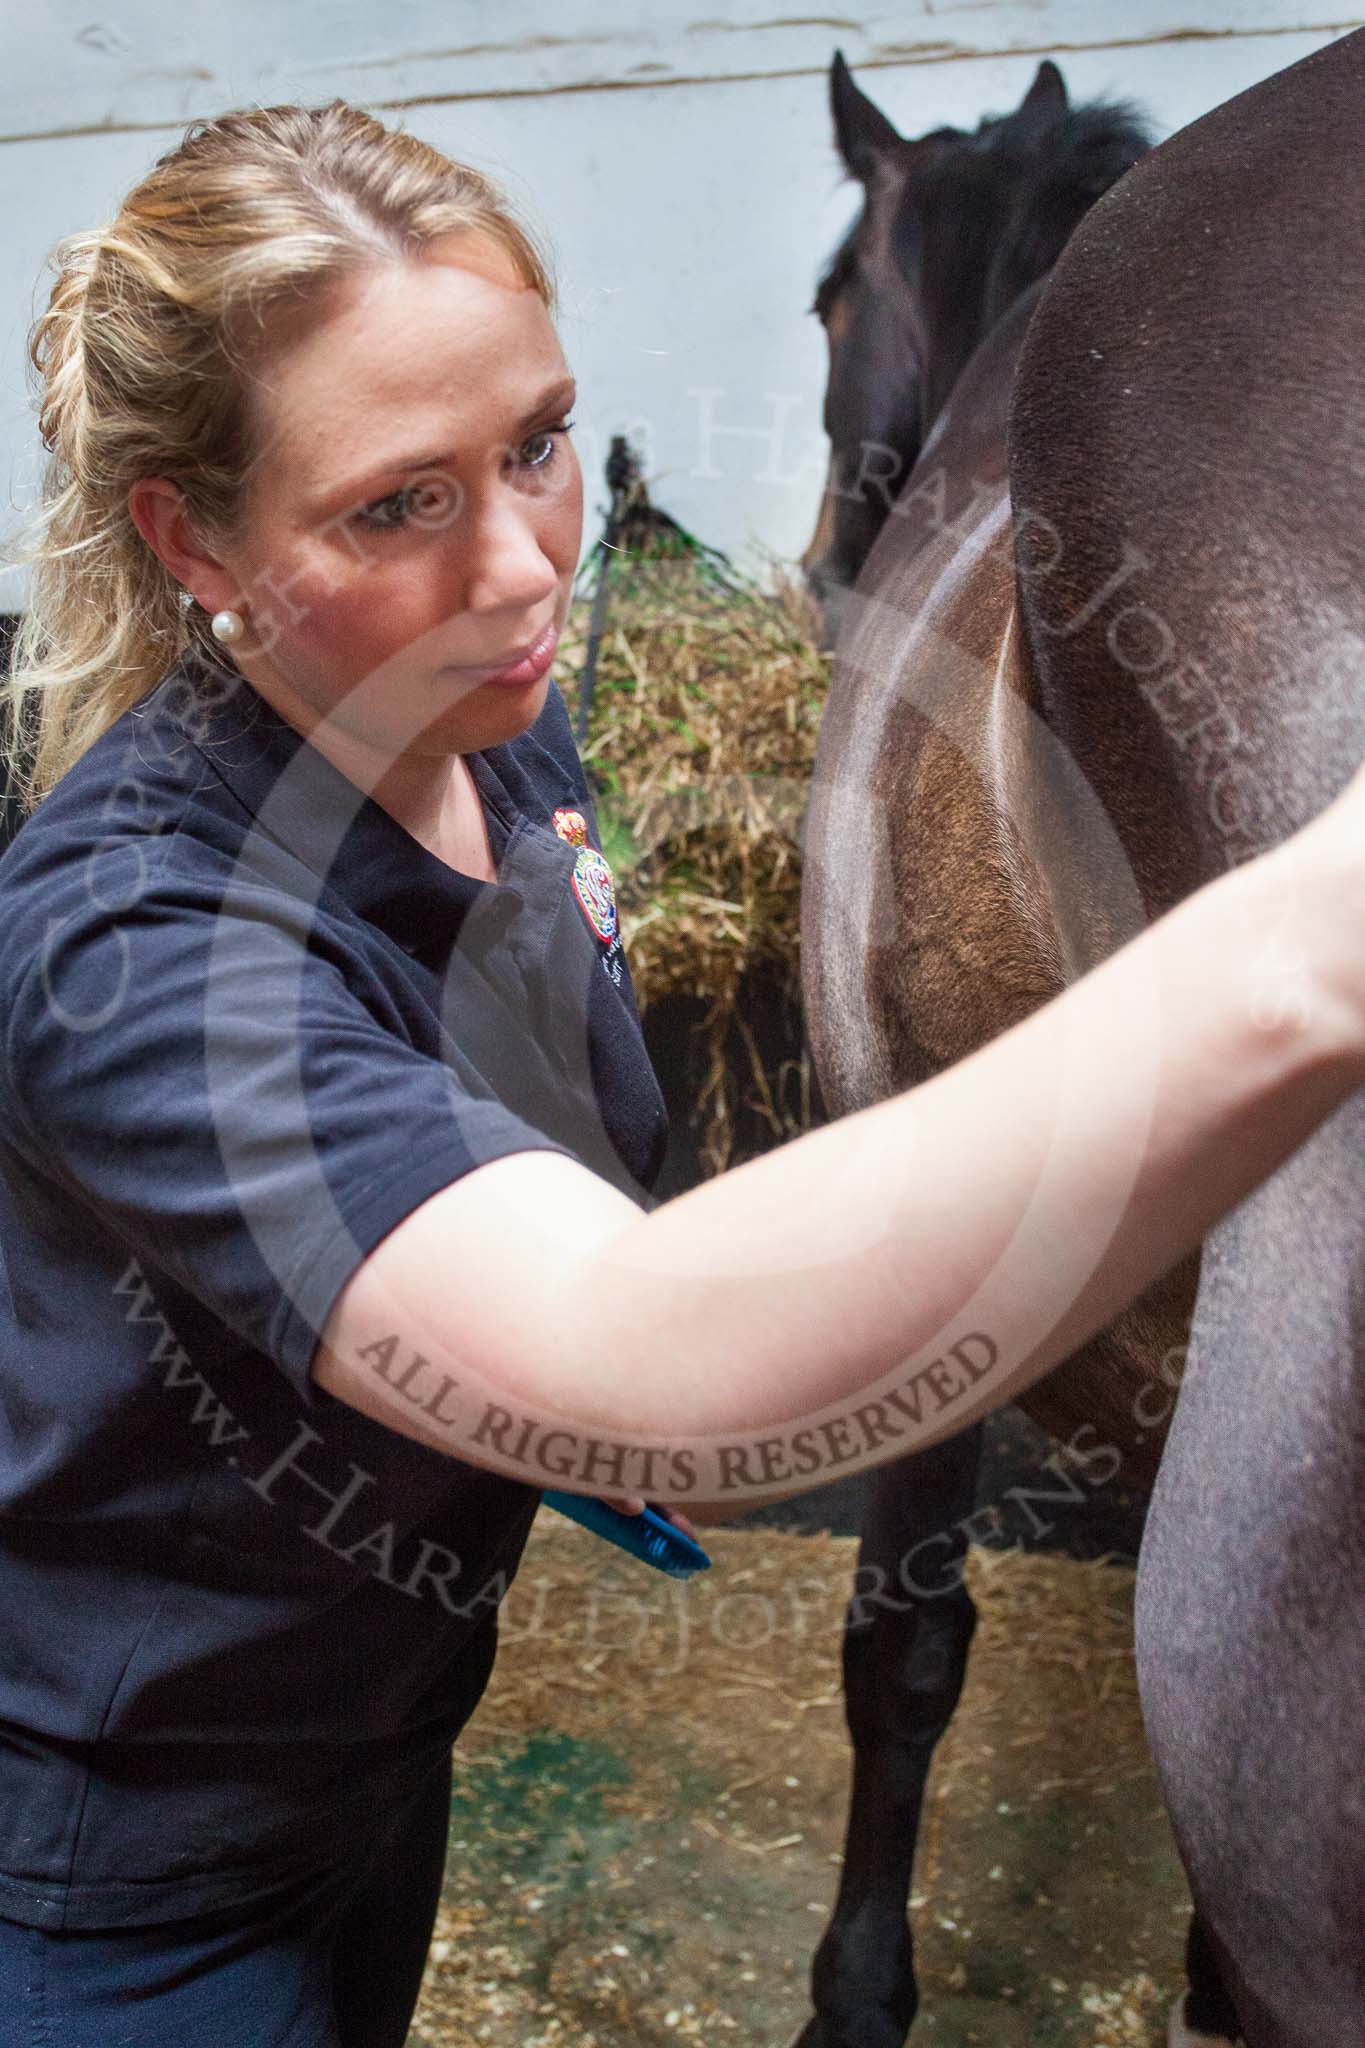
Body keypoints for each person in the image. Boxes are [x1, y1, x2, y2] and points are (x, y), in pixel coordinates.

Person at [0, 96, 1360, 2048]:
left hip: (368, 1756)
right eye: (399, 503)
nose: (524, 565)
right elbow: (626, 1353)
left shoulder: (489, 733)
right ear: (190, 536)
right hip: (125, 1870)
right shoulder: (131, 944)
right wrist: (1309, 940)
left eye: (535, 444)